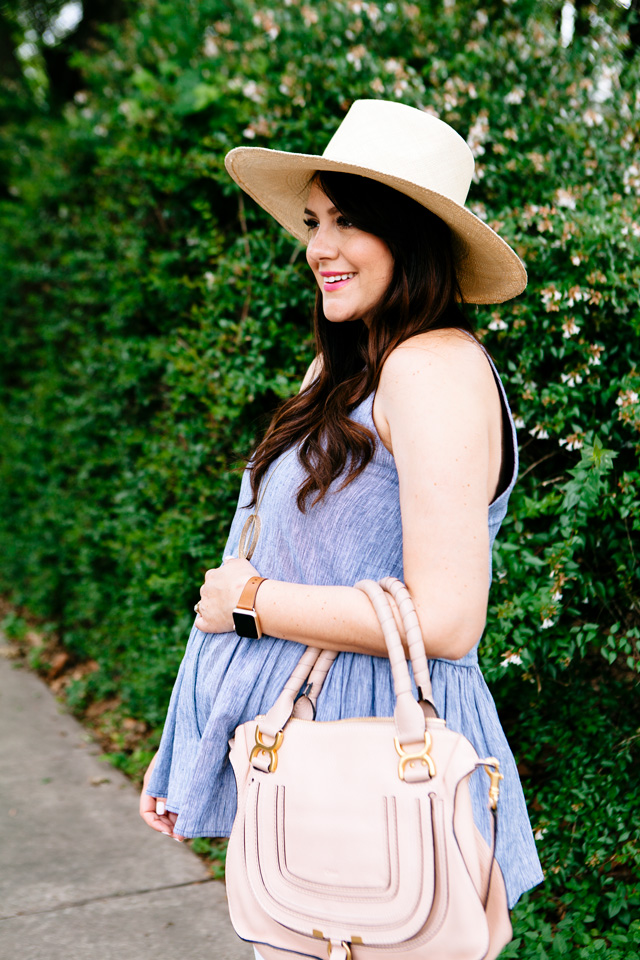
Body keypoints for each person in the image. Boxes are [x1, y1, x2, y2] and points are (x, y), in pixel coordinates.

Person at [139, 100, 544, 951]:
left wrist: (251, 604)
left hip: (376, 755)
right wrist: (187, 743)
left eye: (350, 221)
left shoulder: (434, 369)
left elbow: (445, 621)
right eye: (315, 219)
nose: (319, 246)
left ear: (415, 237)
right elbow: (257, 547)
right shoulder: (348, 362)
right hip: (305, 746)